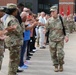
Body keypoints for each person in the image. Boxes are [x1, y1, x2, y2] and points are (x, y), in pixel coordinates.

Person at [45, 5, 69, 72]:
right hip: (52, 39)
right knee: (53, 54)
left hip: (60, 39)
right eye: (51, 11)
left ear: (56, 11)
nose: (52, 13)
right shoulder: (49, 20)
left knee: (60, 53)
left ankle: (61, 65)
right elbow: (46, 29)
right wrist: (45, 37)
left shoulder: (62, 19)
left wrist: (67, 36)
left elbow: (66, 28)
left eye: (53, 11)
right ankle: (56, 66)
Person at [4, 3, 23, 75]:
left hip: (12, 42)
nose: (17, 12)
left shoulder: (8, 18)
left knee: (14, 59)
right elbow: (19, 31)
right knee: (14, 60)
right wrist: (23, 25)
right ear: (14, 11)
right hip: (14, 42)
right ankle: (12, 73)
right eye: (16, 10)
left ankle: (13, 72)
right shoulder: (13, 19)